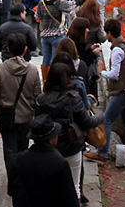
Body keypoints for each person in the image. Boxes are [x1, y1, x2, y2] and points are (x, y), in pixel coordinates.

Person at [35, 62, 103, 200]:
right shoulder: (73, 98)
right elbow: (87, 122)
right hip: (71, 144)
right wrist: (103, 117)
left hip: (48, 145)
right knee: (74, 184)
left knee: (50, 186)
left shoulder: (41, 99)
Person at [85, 19, 125, 163]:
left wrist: (102, 71)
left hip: (124, 90)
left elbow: (115, 74)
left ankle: (102, 152)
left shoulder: (118, 50)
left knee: (106, 119)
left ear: (109, 33)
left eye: (106, 33)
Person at [0, 33, 43, 186]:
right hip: (26, 116)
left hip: (7, 115)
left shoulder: (1, 69)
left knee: (9, 149)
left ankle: (13, 179)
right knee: (23, 149)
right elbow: (37, 95)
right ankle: (21, 178)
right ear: (25, 49)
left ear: (8, 49)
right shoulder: (32, 70)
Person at [8, 114, 80, 207]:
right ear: (51, 139)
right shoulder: (59, 162)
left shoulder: (18, 159)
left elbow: (12, 190)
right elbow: (70, 198)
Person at [37, 0, 73, 81]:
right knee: (55, 60)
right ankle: (53, 81)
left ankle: (45, 81)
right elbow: (71, 7)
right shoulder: (59, 3)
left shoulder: (41, 2)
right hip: (57, 35)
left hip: (45, 35)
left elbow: (38, 16)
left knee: (46, 60)